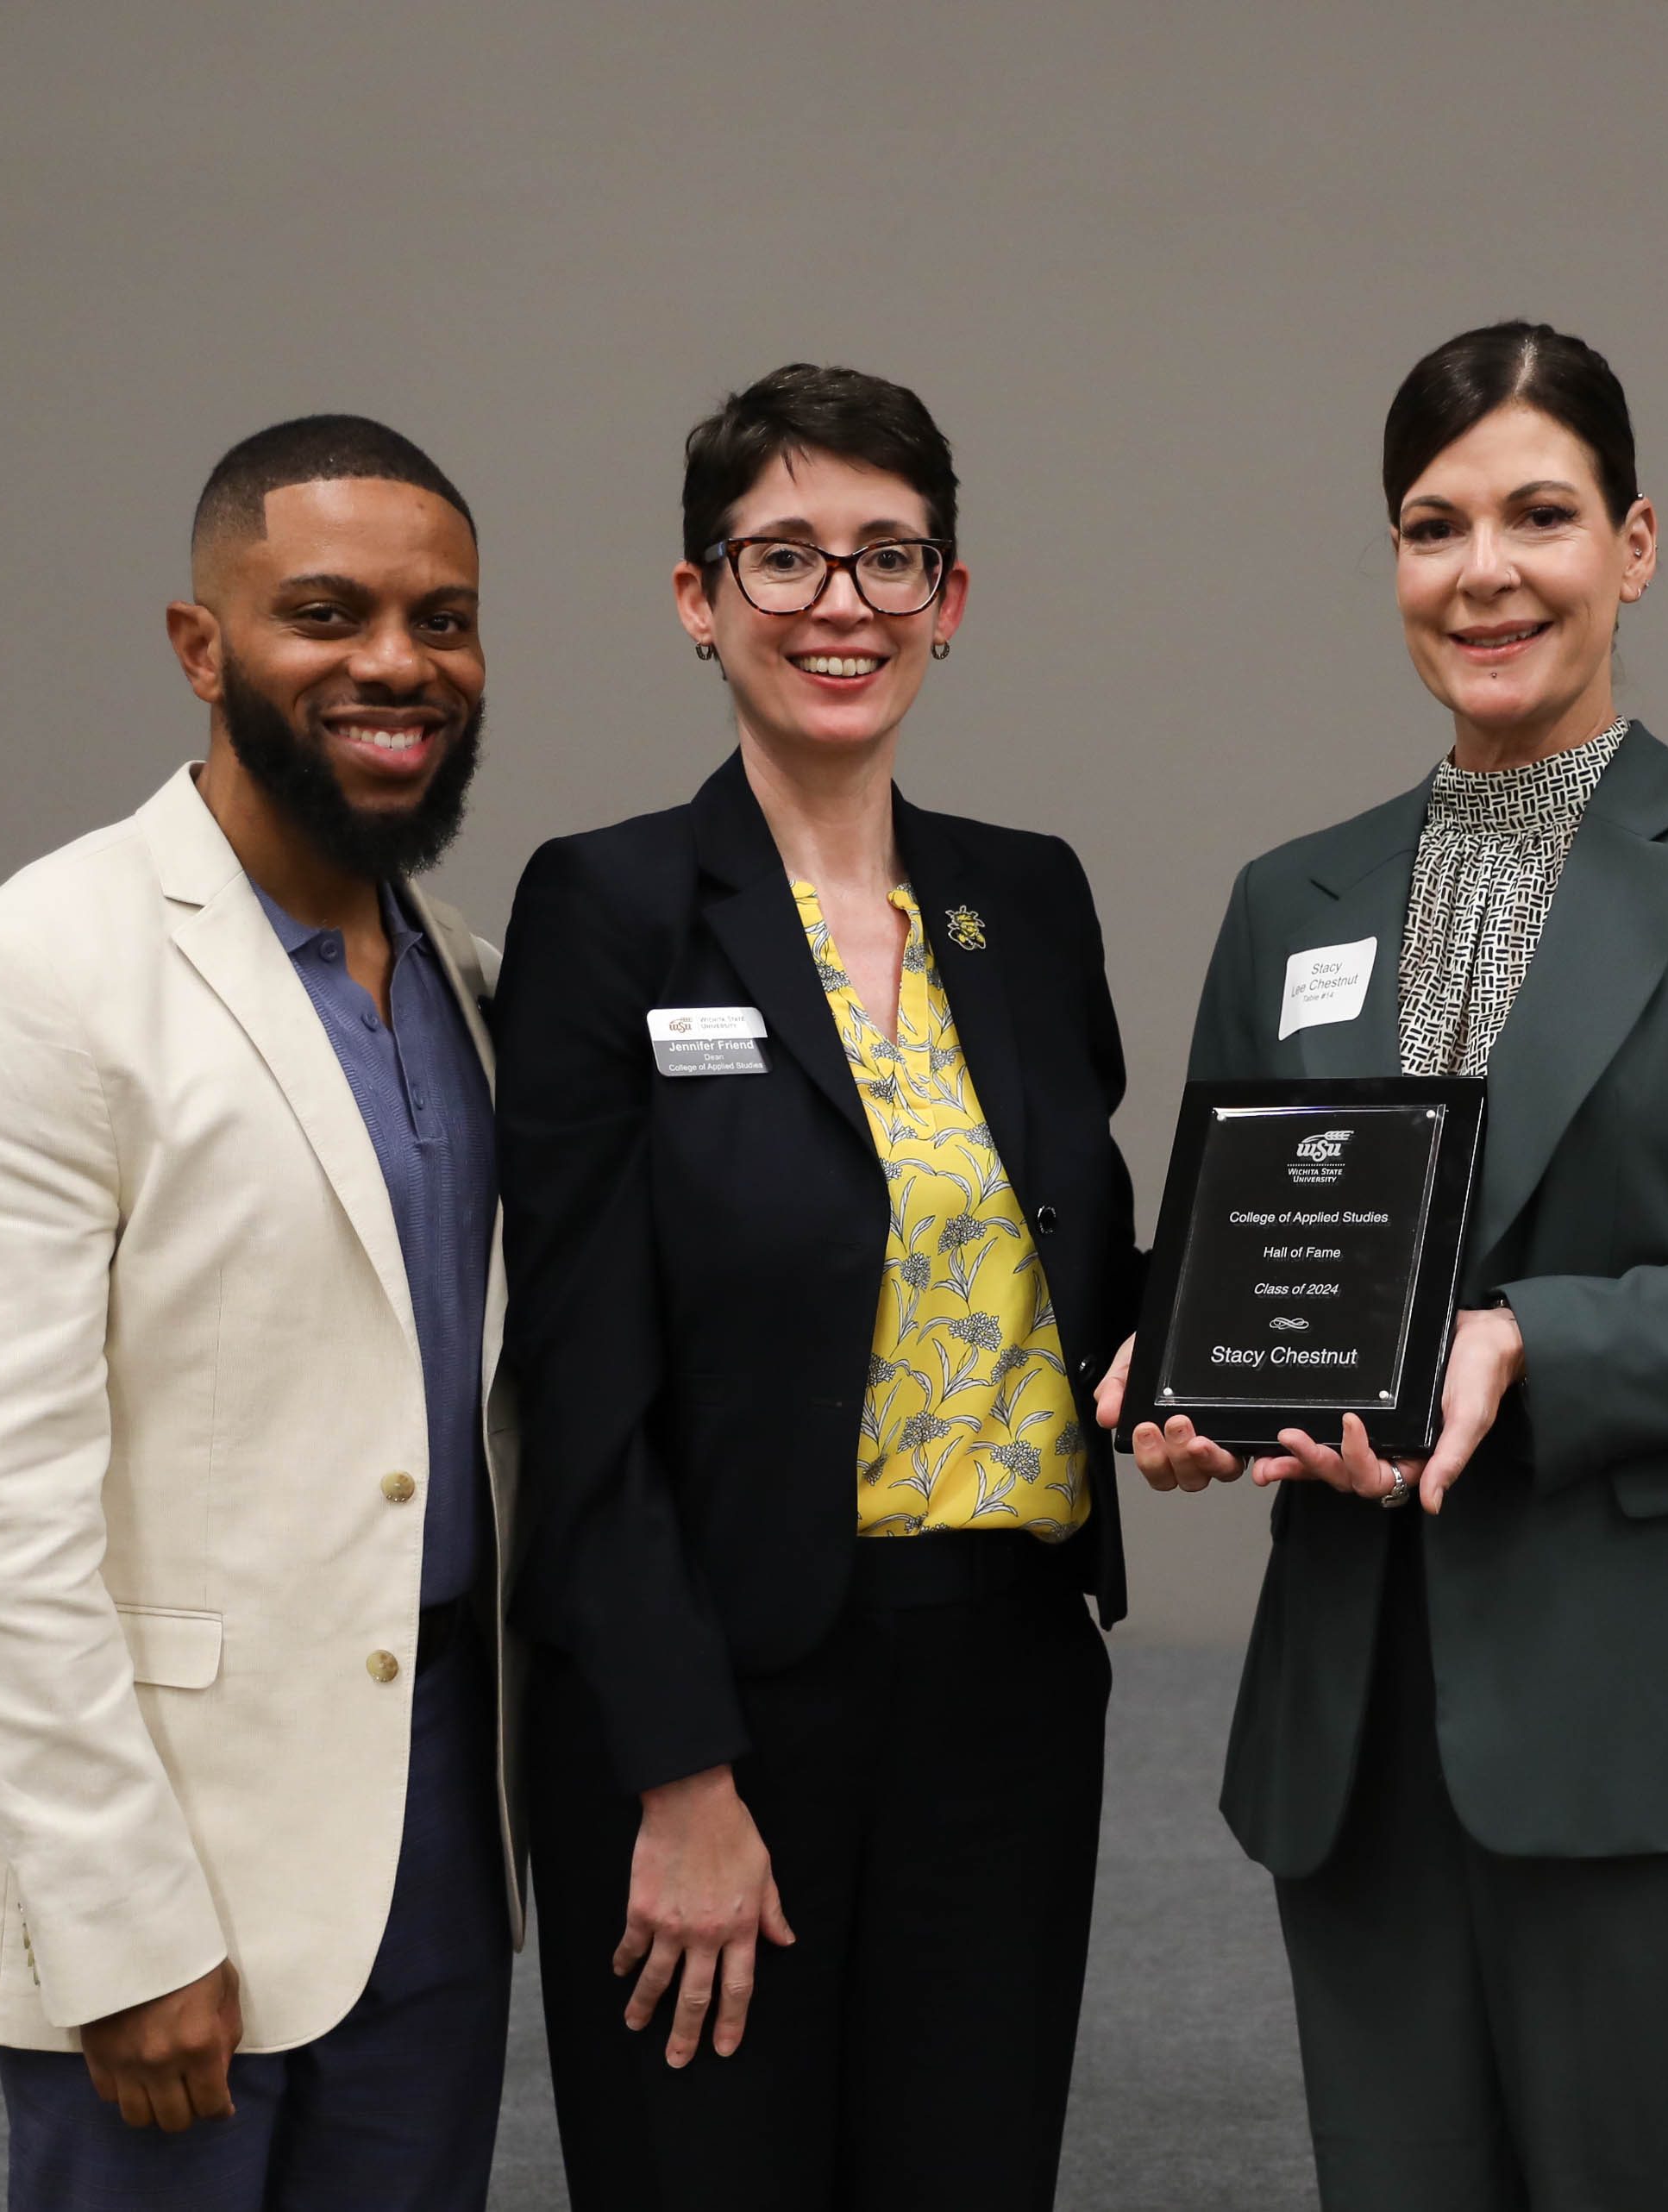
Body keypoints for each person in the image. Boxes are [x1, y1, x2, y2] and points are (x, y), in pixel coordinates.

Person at [1095, 321, 1668, 2212]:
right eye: (1431, 523)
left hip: (1654, 1720)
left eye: (1538, 515)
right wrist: (1185, 1388)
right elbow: (1235, 1263)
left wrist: (1528, 1341)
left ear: (1633, 544)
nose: (1484, 570)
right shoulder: (1290, 896)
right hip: (1357, 1729)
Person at [494, 363, 1143, 2210]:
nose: (837, 605)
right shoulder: (607, 907)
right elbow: (584, 1379)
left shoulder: (1025, 900)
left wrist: (1208, 1361)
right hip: (723, 1699)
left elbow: (1066, 1258)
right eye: (782, 558)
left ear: (951, 598)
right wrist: (677, 1772)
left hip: (1006, 1686)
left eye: (885, 558)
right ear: (697, 599)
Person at [0, 416, 517, 2208]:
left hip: (440, 1828)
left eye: (442, 619)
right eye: (326, 610)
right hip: (167, 1864)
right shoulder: (30, 976)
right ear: (200, 645)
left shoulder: (468, 979)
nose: (397, 662)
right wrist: (120, 1924)